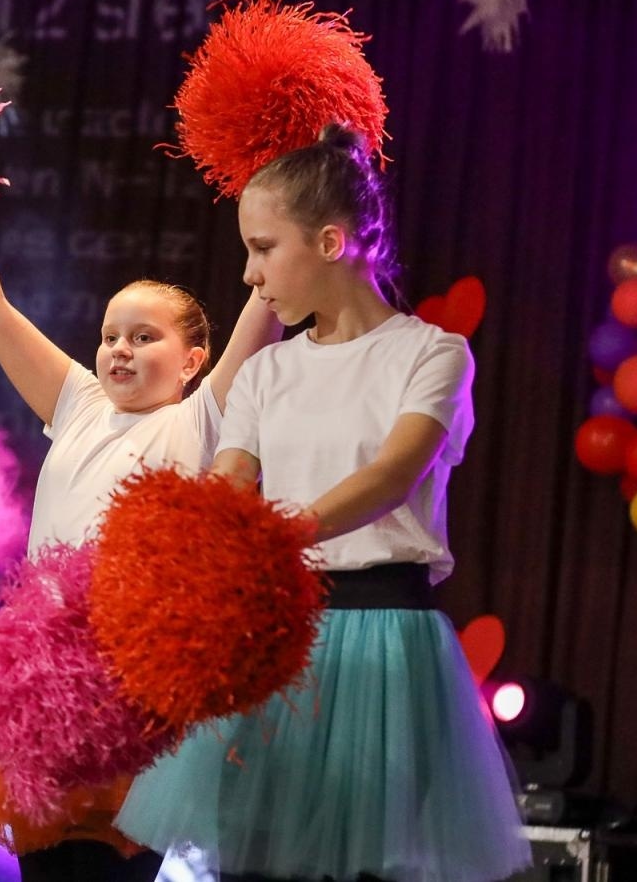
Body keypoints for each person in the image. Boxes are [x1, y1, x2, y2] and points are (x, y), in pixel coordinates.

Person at [116, 125, 532, 882]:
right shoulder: (268, 371)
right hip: (278, 642)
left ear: (334, 242)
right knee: (253, 861)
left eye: (264, 247)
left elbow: (390, 474)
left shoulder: (432, 353)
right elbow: (228, 487)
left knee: (370, 864)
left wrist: (274, 537)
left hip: (385, 642)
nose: (249, 273)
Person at [0, 181, 280, 879]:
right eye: (111, 334)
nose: (119, 349)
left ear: (194, 361)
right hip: (41, 684)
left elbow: (265, 307)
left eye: (145, 338)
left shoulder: (203, 419)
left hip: (136, 686)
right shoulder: (78, 402)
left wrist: (290, 198)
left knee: (117, 867)